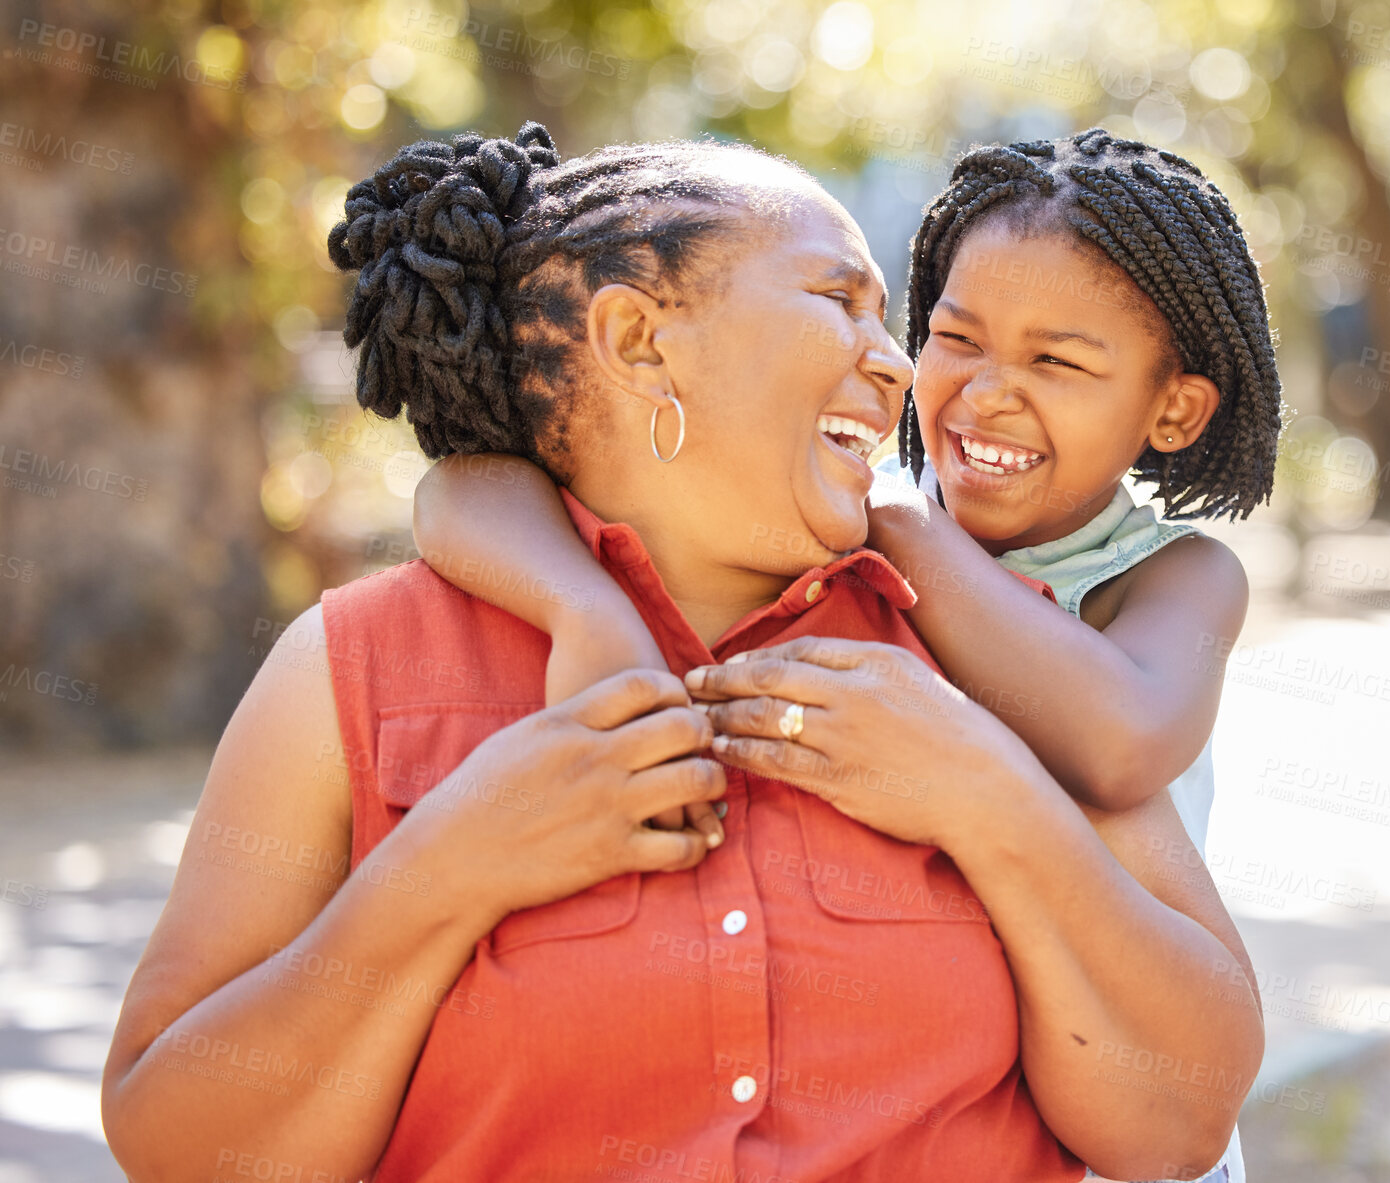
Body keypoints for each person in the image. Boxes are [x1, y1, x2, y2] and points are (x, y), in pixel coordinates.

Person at [102, 123, 1263, 1183]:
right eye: (836, 300)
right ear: (637, 340)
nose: (902, 367)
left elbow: (1178, 1123)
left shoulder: (986, 653)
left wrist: (986, 791)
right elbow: (179, 1145)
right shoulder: (355, 666)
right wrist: (446, 868)